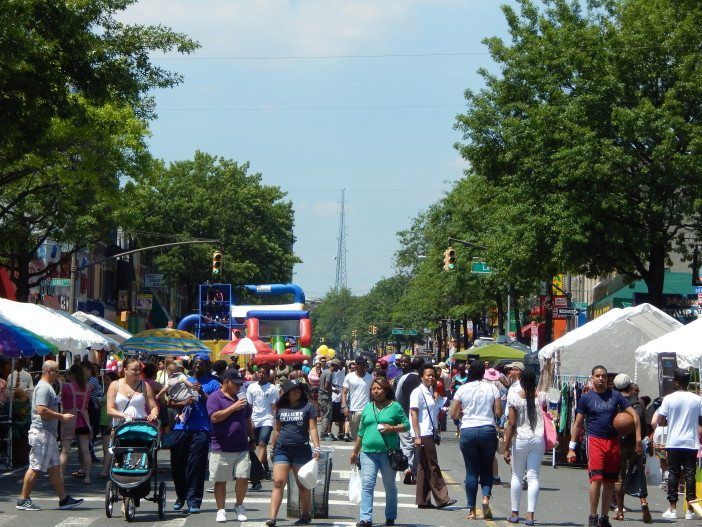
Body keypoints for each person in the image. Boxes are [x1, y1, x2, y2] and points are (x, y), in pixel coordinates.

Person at [567, 365, 641, 527]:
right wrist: (571, 448)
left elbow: (634, 415)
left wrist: (637, 439)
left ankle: (604, 518)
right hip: (595, 441)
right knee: (597, 480)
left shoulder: (615, 396)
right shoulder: (586, 397)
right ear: (592, 378)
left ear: (608, 379)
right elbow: (578, 423)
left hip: (613, 442)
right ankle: (593, 516)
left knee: (609, 482)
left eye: (604, 376)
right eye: (598, 376)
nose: (601, 378)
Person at [16, 361, 84, 511]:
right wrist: (61, 416)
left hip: (48, 433)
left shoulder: (47, 387)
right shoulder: (43, 388)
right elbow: (41, 409)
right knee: (36, 466)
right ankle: (23, 499)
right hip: (42, 432)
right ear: (47, 371)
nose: (58, 374)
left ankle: (64, 499)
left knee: (54, 467)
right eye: (56, 371)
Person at [350, 377, 409, 527]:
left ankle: (390, 516)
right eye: (373, 389)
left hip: (388, 454)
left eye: (379, 388)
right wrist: (355, 451)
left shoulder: (395, 406)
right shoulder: (368, 407)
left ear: (386, 390)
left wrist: (392, 428)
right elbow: (361, 432)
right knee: (367, 485)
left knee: (389, 486)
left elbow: (406, 425)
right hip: (368, 452)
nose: (376, 391)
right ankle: (365, 518)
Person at [168, 352, 221, 514]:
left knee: (196, 466)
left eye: (202, 362)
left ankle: (194, 501)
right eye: (196, 362)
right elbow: (169, 401)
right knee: (177, 465)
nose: (198, 365)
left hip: (201, 428)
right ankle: (181, 495)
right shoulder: (184, 380)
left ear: (207, 365)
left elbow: (216, 403)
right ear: (191, 364)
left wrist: (202, 394)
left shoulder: (213, 383)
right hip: (180, 427)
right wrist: (184, 402)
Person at [450, 360, 502, 520]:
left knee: (471, 472)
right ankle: (486, 497)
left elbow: (453, 414)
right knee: (487, 468)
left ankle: (472, 510)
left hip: (468, 430)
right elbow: (498, 412)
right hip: (487, 429)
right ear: (483, 373)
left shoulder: (463, 389)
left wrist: (463, 415)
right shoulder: (492, 388)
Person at [266, 379, 321, 527]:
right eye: (293, 389)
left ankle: (305, 515)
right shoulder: (280, 408)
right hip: (282, 449)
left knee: (302, 484)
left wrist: (317, 447)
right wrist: (272, 447)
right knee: (278, 482)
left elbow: (313, 429)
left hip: (301, 450)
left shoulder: (308, 407)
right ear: (286, 393)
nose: (297, 391)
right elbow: (277, 429)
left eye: (299, 389)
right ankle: (272, 517)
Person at [207, 369, 254, 523]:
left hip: (241, 446)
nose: (240, 387)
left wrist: (252, 438)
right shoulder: (215, 397)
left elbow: (247, 419)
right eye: (237, 384)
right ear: (227, 382)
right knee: (220, 480)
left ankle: (239, 505)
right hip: (221, 447)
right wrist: (233, 407)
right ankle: (221, 510)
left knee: (243, 477)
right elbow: (214, 417)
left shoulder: (241, 398)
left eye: (241, 384)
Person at [503, 369, 545, 526]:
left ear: (520, 380)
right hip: (538, 438)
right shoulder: (541, 397)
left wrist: (506, 447)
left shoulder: (514, 397)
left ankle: (514, 513)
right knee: (533, 477)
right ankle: (530, 515)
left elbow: (512, 424)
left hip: (521, 438)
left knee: (517, 475)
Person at [410, 364, 456, 510]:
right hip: (423, 434)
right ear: (421, 377)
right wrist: (417, 436)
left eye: (432, 375)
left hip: (429, 432)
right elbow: (414, 414)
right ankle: (442, 498)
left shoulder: (429, 391)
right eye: (427, 375)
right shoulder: (417, 392)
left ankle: (423, 500)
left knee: (423, 467)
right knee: (432, 465)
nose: (430, 377)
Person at [658, 369, 702, 520]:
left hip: (674, 441)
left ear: (676, 382)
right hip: (691, 442)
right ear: (688, 382)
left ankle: (672, 509)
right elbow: (701, 422)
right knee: (690, 475)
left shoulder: (668, 398)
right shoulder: (697, 399)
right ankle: (690, 510)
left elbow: (660, 421)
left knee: (674, 474)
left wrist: (672, 420)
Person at [611, 373, 651, 523]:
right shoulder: (639, 402)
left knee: (619, 477)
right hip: (636, 444)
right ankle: (644, 503)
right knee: (638, 473)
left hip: (620, 443)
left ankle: (620, 510)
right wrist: (641, 440)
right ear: (629, 385)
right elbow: (643, 423)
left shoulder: (616, 402)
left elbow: (613, 423)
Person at [59, 363, 93, 484]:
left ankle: (61, 477)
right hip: (83, 419)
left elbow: (63, 401)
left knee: (65, 450)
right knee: (85, 450)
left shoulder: (67, 387)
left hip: (69, 418)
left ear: (71, 374)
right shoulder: (88, 387)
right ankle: (87, 477)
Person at [246, 366, 280, 487]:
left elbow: (274, 407)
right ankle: (265, 468)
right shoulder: (251, 387)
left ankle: (256, 473)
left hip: (267, 419)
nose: (261, 375)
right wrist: (249, 420)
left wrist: (277, 421)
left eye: (264, 373)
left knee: (262, 444)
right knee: (253, 446)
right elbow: (249, 406)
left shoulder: (272, 389)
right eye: (259, 373)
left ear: (268, 375)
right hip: (254, 420)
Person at [107, 357, 159, 426]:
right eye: (134, 370)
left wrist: (153, 414)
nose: (138, 372)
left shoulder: (144, 385)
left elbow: (153, 407)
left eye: (139, 370)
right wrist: (125, 416)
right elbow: (110, 409)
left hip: (141, 425)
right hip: (120, 427)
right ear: (125, 369)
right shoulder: (115, 385)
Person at [396, 356, 424, 485]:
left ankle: (407, 468)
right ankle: (415, 471)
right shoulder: (426, 379)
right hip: (421, 419)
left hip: (405, 416)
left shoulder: (403, 378)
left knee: (406, 444)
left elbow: (397, 397)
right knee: (418, 445)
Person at [342, 357, 373, 441]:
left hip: (367, 410)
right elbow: (344, 392)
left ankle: (363, 453)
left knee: (366, 434)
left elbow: (372, 394)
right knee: (355, 436)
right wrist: (344, 406)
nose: (362, 367)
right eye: (359, 364)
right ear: (356, 365)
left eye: (363, 365)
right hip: (354, 410)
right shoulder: (349, 377)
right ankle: (358, 452)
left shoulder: (370, 378)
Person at [98, 371, 119, 479]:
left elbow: (114, 407)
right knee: (105, 448)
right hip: (103, 421)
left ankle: (105, 471)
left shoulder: (114, 391)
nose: (105, 382)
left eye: (107, 380)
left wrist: (112, 423)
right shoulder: (106, 391)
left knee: (108, 448)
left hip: (109, 422)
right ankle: (106, 468)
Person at [319, 359, 337, 440]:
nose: (338, 369)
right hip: (326, 397)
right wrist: (334, 390)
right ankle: (323, 433)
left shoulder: (325, 371)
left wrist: (333, 384)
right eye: (337, 367)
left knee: (323, 414)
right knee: (327, 415)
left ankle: (323, 432)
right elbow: (326, 386)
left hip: (321, 396)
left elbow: (325, 382)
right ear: (334, 365)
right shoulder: (329, 373)